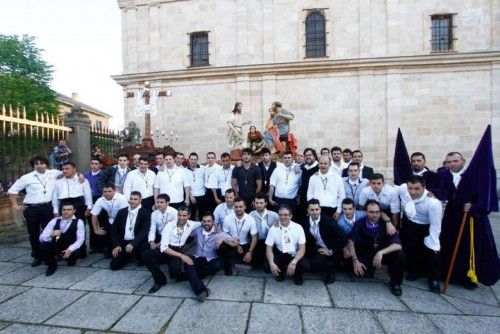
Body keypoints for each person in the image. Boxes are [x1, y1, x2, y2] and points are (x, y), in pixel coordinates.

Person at [439, 152, 499, 289]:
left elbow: (486, 198)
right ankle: (449, 274)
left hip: (471, 219)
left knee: (468, 247)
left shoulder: (475, 176)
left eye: (455, 161)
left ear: (463, 161)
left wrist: (475, 207)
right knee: (449, 244)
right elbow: (440, 192)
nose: (452, 164)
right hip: (452, 217)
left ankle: (467, 278)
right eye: (448, 162)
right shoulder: (443, 176)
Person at [143, 207, 220, 302]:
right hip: (166, 250)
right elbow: (164, 248)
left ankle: (182, 276)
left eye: (184, 215)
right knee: (146, 254)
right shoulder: (169, 225)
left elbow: (205, 223)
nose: (182, 218)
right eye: (179, 215)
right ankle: (159, 280)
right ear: (177, 215)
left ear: (189, 216)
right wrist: (182, 256)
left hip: (177, 251)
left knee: (175, 274)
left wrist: (216, 226)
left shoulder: (192, 224)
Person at [8, 156, 63, 267]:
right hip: (31, 208)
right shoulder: (26, 177)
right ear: (33, 165)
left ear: (46, 164)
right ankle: (37, 256)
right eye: (36, 163)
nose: (39, 165)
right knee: (33, 233)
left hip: (47, 207)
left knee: (52, 232)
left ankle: (53, 253)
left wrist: (80, 176)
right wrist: (15, 206)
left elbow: (68, 171)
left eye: (42, 163)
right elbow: (12, 191)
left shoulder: (54, 173)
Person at [346, 200, 405, 296]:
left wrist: (381, 252)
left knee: (400, 255)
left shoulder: (386, 224)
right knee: (360, 274)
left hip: (384, 254)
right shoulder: (360, 223)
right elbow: (351, 242)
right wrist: (355, 261)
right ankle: (371, 269)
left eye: (377, 212)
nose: (375, 215)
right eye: (371, 212)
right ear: (366, 212)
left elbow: (398, 245)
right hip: (368, 253)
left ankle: (396, 284)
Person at [398, 175, 442, 293]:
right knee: (410, 249)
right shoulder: (403, 189)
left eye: (417, 189)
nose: (413, 192)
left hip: (425, 226)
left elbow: (435, 225)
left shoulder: (433, 202)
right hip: (409, 223)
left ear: (424, 187)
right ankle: (414, 271)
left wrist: (434, 243)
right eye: (410, 188)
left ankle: (433, 279)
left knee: (430, 251)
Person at [300, 199, 346, 284]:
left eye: (317, 209)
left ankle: (331, 270)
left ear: (320, 209)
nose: (315, 212)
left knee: (316, 263)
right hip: (313, 249)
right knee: (309, 266)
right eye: (312, 210)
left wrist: (331, 250)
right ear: (308, 210)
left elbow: (342, 238)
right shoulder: (304, 222)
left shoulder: (329, 221)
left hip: (327, 248)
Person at [264, 205, 310, 285]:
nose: (283, 217)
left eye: (285, 215)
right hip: (280, 253)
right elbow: (268, 248)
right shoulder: (273, 229)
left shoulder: (298, 227)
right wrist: (271, 263)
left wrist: (294, 262)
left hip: (294, 254)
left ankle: (297, 275)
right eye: (280, 215)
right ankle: (280, 272)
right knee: (267, 267)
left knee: (305, 266)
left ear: (291, 216)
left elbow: (302, 248)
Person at [39, 202, 85, 276]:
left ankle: (69, 259)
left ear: (74, 211)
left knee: (74, 255)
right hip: (57, 245)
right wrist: (51, 234)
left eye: (69, 209)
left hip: (70, 246)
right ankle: (52, 265)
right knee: (43, 245)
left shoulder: (79, 222)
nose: (66, 211)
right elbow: (41, 238)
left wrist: (69, 250)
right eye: (64, 210)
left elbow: (80, 240)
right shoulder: (54, 221)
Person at [110, 191, 151, 270]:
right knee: (114, 266)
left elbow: (144, 232)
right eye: (131, 199)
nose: (132, 201)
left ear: (140, 200)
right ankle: (127, 255)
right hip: (123, 242)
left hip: (137, 242)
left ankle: (134, 255)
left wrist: (133, 244)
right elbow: (114, 230)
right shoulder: (122, 212)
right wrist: (116, 245)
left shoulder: (146, 213)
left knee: (141, 257)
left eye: (135, 199)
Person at [219, 198, 258, 274]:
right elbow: (225, 235)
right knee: (220, 246)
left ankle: (242, 259)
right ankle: (227, 266)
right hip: (230, 242)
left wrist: (250, 252)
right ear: (233, 207)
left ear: (245, 207)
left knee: (255, 260)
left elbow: (254, 237)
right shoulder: (227, 218)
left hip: (244, 243)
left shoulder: (250, 219)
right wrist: (236, 244)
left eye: (240, 206)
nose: (238, 209)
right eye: (236, 207)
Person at [90, 184, 129, 256]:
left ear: (114, 191)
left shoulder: (122, 198)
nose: (107, 193)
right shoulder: (100, 200)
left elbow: (125, 216)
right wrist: (96, 230)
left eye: (109, 191)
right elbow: (94, 215)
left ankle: (121, 249)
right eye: (105, 191)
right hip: (111, 220)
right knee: (100, 233)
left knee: (115, 233)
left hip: (123, 221)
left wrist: (114, 228)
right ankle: (109, 248)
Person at [249, 193, 279, 266]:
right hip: (258, 242)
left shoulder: (274, 215)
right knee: (255, 262)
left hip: (271, 243)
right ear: (254, 203)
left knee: (268, 263)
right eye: (257, 203)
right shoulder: (250, 215)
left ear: (265, 203)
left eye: (261, 203)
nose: (259, 205)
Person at [84, 158, 104, 253]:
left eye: (96, 163)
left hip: (100, 198)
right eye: (92, 163)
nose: (94, 165)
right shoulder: (86, 175)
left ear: (100, 165)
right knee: (92, 223)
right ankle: (94, 245)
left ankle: (103, 244)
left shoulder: (103, 175)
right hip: (89, 199)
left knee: (101, 221)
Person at [297, 148, 319, 220]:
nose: (308, 157)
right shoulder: (304, 168)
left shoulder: (319, 167)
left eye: (310, 155)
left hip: (314, 199)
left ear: (314, 156)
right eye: (306, 155)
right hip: (303, 199)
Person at [187, 152, 207, 219]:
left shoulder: (203, 168)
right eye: (191, 159)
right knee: (191, 216)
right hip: (192, 196)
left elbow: (212, 167)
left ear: (197, 160)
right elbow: (186, 185)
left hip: (202, 195)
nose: (193, 161)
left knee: (203, 215)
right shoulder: (184, 170)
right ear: (188, 160)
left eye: (195, 159)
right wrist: (191, 196)